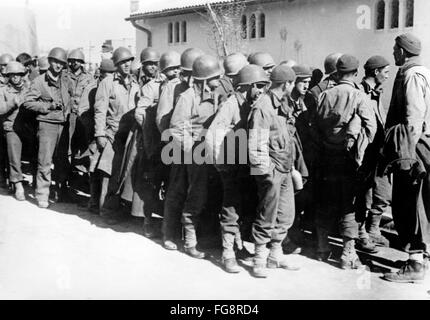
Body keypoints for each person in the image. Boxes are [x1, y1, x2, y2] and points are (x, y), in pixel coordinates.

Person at [206, 64, 271, 273]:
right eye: (258, 86)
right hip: (230, 165)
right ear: (248, 85)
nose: (261, 91)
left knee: (243, 206)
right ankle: (228, 253)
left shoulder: (252, 104)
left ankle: (238, 245)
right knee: (231, 208)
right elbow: (213, 135)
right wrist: (221, 164)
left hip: (245, 164)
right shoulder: (231, 105)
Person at [314, 54, 376, 268]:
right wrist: (359, 150)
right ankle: (348, 255)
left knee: (325, 201)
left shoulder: (324, 95)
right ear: (356, 73)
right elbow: (371, 128)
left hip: (326, 157)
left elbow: (317, 125)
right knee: (348, 205)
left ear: (337, 73)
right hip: (347, 158)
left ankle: (322, 248)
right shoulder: (359, 96)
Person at [382, 33, 430, 283]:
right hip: (422, 147)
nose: (393, 54)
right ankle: (419, 260)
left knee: (409, 203)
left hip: (413, 149)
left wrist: (407, 157)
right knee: (419, 202)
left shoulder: (411, 75)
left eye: (394, 49)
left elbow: (414, 118)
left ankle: (415, 265)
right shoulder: (424, 71)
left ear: (402, 51)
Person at [164, 54, 222, 258]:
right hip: (191, 154)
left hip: (209, 151)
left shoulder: (215, 94)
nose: (219, 80)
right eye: (215, 77)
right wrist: (191, 152)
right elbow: (176, 128)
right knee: (194, 195)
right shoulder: (187, 97)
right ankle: (189, 241)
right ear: (204, 79)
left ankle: (205, 236)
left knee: (210, 194)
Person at [247, 63, 300, 278]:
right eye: (292, 83)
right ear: (286, 84)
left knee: (285, 213)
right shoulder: (263, 106)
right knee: (266, 213)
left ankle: (275, 255)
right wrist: (266, 173)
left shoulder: (284, 104)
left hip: (284, 167)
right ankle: (259, 257)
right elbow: (255, 143)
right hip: (270, 169)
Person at [93, 47, 139, 218]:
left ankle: (118, 208)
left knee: (122, 173)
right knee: (108, 173)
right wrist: (100, 134)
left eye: (129, 61)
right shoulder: (108, 83)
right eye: (122, 62)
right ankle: (105, 210)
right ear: (116, 64)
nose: (126, 65)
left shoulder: (135, 84)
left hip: (129, 137)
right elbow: (100, 110)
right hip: (112, 135)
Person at [23, 47, 72, 209]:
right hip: (47, 124)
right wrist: (48, 106)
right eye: (55, 62)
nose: (58, 65)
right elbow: (28, 102)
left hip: (63, 125)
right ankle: (42, 194)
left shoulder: (65, 80)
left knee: (62, 160)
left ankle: (59, 191)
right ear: (50, 61)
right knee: (45, 161)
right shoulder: (39, 81)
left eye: (61, 63)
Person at [355, 55, 391, 251]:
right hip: (364, 153)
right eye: (385, 72)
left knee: (383, 193)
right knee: (362, 195)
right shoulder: (358, 92)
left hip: (378, 152)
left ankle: (374, 229)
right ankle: (361, 233)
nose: (387, 76)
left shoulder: (377, 93)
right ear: (376, 72)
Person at [78, 59, 116, 213]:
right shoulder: (92, 87)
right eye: (108, 73)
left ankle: (104, 202)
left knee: (107, 169)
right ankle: (94, 201)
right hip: (96, 133)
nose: (111, 76)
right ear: (100, 73)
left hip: (109, 133)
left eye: (113, 73)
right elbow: (83, 111)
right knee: (94, 169)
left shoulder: (114, 85)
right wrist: (94, 130)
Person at [0, 61, 30, 200]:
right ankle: (17, 184)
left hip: (28, 126)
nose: (15, 78)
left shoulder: (29, 87)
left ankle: (36, 181)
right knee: (14, 157)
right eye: (12, 75)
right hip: (11, 127)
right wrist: (13, 103)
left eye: (18, 74)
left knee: (35, 155)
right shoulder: (3, 90)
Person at [66, 49, 95, 174]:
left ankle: (83, 173)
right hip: (69, 114)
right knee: (68, 146)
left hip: (83, 116)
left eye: (77, 61)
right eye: (72, 61)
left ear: (81, 62)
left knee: (84, 144)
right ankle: (69, 171)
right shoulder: (64, 76)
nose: (74, 63)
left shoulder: (88, 77)